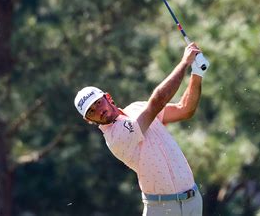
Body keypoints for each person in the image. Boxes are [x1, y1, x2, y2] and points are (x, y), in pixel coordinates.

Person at [74, 43, 208, 216]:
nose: (99, 111)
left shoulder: (137, 108)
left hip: (193, 202)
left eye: (98, 103)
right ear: (89, 120)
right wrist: (184, 63)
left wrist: (197, 74)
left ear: (108, 97)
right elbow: (158, 100)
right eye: (92, 112)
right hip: (162, 209)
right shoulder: (115, 136)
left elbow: (185, 110)